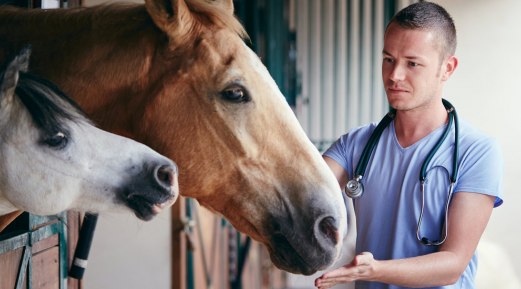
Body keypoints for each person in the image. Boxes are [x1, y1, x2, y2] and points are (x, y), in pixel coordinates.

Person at [314, 2, 503, 289]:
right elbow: (306, 187)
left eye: (412, 63)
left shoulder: (476, 152)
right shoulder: (356, 145)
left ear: (447, 68)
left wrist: (374, 270)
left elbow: (453, 263)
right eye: (388, 59)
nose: (394, 75)